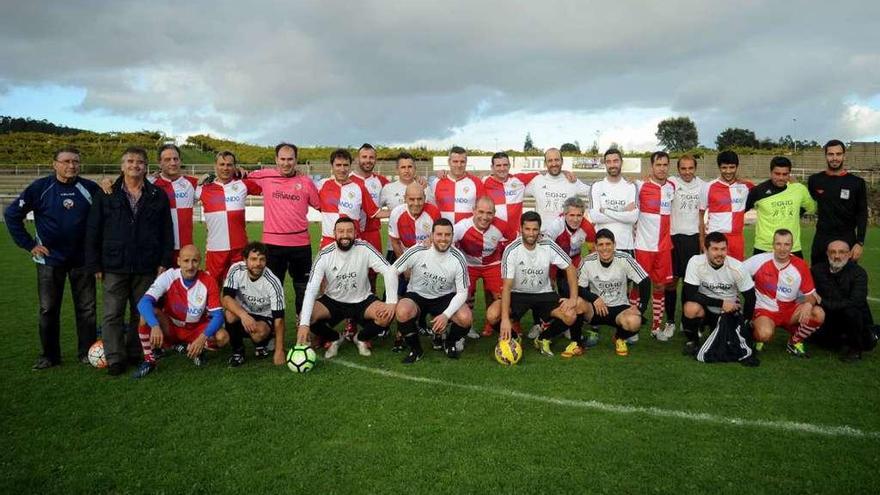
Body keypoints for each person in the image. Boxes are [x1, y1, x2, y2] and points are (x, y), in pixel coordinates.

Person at [4, 146, 100, 369]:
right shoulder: (40, 188)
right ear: (54, 164)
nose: (71, 166)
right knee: (48, 308)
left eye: (75, 161)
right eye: (66, 161)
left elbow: (107, 214)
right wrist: (30, 245)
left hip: (82, 259)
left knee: (87, 308)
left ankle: (86, 352)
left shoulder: (89, 188)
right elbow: (11, 214)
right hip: (50, 260)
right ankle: (49, 355)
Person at [85, 147, 174, 376]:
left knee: (140, 313)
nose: (135, 165)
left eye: (140, 162)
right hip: (114, 265)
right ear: (122, 166)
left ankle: (135, 352)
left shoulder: (157, 195)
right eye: (130, 161)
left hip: (146, 264)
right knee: (112, 313)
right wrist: (94, 264)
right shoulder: (106, 194)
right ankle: (115, 358)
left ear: (146, 167)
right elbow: (93, 230)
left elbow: (166, 231)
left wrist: (164, 260)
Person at [295, 218, 398, 358]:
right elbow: (311, 289)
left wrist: (391, 302)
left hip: (362, 301)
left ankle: (360, 338)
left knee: (387, 315)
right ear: (334, 234)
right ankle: (334, 337)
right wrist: (304, 324)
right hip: (333, 301)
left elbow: (389, 270)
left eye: (349, 231)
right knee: (304, 317)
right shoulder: (324, 254)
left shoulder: (364, 248)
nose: (345, 235)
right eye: (341, 231)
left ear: (356, 233)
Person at [486, 211, 578, 357]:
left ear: (539, 230)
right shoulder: (511, 250)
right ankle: (515, 337)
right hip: (518, 294)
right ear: (521, 229)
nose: (531, 233)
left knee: (571, 315)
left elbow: (570, 268)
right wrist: (504, 319)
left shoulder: (548, 244)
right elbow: (507, 287)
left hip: (543, 293)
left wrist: (573, 298)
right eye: (527, 229)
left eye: (535, 229)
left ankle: (543, 338)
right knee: (492, 315)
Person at [131, 245, 229, 378]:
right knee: (145, 316)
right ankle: (150, 360)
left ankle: (193, 348)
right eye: (186, 261)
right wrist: (154, 325)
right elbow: (144, 302)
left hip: (196, 328)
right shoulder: (169, 276)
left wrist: (202, 338)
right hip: (172, 326)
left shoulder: (208, 280)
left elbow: (218, 316)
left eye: (194, 261)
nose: (190, 266)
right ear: (178, 261)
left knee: (222, 337)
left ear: (199, 262)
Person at [246, 142, 320, 316]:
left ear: (296, 160)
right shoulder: (264, 176)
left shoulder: (306, 182)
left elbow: (322, 206)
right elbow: (240, 179)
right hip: (273, 246)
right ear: (276, 159)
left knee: (303, 288)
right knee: (272, 287)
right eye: (283, 159)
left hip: (300, 245)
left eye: (290, 159)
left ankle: (302, 325)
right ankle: (270, 328)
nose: (286, 163)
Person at [394, 218, 472, 363]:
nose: (443, 239)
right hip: (417, 295)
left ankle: (449, 342)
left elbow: (462, 292)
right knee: (402, 311)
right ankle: (416, 349)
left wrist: (445, 315)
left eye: (447, 235)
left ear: (452, 236)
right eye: (439, 234)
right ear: (432, 235)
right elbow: (392, 271)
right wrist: (391, 301)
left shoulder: (458, 258)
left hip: (444, 297)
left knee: (465, 318)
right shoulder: (418, 250)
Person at [743, 229, 824, 357]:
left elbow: (810, 294)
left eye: (786, 244)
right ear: (773, 245)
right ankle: (755, 331)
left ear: (792, 245)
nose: (782, 248)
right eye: (778, 244)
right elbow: (737, 274)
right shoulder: (759, 261)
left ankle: (794, 342)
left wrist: (808, 305)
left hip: (789, 310)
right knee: (764, 334)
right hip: (765, 310)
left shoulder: (801, 265)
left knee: (818, 314)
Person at [574, 229, 651, 357]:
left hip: (619, 308)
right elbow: (579, 288)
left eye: (608, 244)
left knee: (634, 322)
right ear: (595, 246)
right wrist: (594, 299)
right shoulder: (587, 261)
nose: (605, 248)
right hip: (596, 309)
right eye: (601, 245)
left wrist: (641, 308)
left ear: (614, 245)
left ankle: (619, 338)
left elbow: (645, 280)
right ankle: (577, 343)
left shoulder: (624, 258)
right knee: (577, 303)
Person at [681, 232, 756, 355]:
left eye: (723, 249)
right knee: (690, 308)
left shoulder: (737, 267)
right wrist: (721, 303)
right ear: (705, 249)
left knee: (728, 345)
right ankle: (693, 341)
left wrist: (746, 323)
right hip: (705, 307)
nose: (720, 254)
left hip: (728, 311)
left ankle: (718, 328)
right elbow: (690, 294)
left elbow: (750, 298)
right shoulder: (695, 262)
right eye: (715, 249)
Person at [197, 151, 262, 288]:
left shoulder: (243, 184)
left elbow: (268, 185)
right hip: (215, 250)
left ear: (235, 167)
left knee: (239, 290)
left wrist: (248, 174)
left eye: (229, 165)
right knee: (213, 289)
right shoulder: (203, 188)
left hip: (239, 249)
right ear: (215, 166)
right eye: (222, 164)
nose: (225, 168)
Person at [222, 241, 287, 367]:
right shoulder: (236, 270)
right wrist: (244, 315)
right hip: (244, 313)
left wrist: (279, 351)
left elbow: (279, 319)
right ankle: (238, 352)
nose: (258, 264)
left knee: (259, 334)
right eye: (253, 259)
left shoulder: (273, 282)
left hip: (264, 316)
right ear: (245, 260)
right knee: (230, 314)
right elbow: (226, 298)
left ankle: (263, 341)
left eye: (262, 259)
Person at [453, 196, 510, 338]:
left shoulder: (502, 226)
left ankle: (500, 326)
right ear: (473, 211)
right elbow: (445, 240)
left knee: (503, 296)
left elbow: (514, 244)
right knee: (463, 295)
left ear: (494, 214)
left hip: (492, 265)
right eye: (481, 212)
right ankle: (466, 327)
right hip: (469, 264)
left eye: (489, 213)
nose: (485, 217)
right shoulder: (461, 227)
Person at [635, 151, 676, 339]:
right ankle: (632, 325)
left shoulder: (673, 186)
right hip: (643, 246)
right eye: (658, 165)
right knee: (637, 286)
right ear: (652, 166)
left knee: (659, 286)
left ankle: (656, 327)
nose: (662, 168)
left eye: (665, 164)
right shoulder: (640, 186)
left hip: (664, 247)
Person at [811, 240, 874, 362]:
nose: (837, 256)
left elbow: (856, 302)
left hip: (851, 318)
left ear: (849, 254)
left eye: (842, 252)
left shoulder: (859, 273)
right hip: (829, 317)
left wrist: (823, 303)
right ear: (827, 253)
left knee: (851, 311)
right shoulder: (816, 270)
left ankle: (855, 349)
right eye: (832, 252)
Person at [807, 140, 868, 265]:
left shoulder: (856, 182)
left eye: (838, 154)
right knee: (818, 278)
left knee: (846, 281)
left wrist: (859, 242)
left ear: (844, 156)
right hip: (822, 238)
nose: (834, 158)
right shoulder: (815, 180)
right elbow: (806, 202)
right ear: (825, 156)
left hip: (847, 238)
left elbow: (862, 214)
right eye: (831, 154)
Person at [665, 154, 705, 340]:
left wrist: (702, 241)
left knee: (690, 283)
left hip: (693, 239)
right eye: (683, 168)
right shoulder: (671, 182)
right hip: (673, 238)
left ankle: (686, 320)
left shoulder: (703, 186)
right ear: (678, 169)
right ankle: (670, 322)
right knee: (671, 281)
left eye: (690, 168)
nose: (687, 172)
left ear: (695, 168)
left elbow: (701, 216)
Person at [746, 156, 816, 258]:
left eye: (785, 174)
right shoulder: (758, 191)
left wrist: (796, 212)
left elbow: (811, 207)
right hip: (764, 248)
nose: (781, 178)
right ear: (771, 172)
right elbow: (740, 210)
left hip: (792, 247)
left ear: (790, 173)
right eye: (777, 174)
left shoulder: (799, 189)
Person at [317, 148, 384, 248]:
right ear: (332, 166)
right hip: (328, 243)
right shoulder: (322, 185)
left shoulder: (359, 187)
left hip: (353, 243)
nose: (342, 169)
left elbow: (374, 212)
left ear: (350, 166)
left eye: (345, 165)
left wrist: (402, 209)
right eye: (338, 165)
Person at [700, 151, 753, 261]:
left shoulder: (746, 186)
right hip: (715, 238)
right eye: (724, 168)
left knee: (735, 274)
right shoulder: (708, 187)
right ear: (719, 167)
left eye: (732, 167)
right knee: (714, 275)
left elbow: (763, 191)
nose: (728, 171)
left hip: (737, 238)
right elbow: (700, 215)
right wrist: (701, 240)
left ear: (737, 167)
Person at [150, 144, 198, 265]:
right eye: (167, 159)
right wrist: (106, 183)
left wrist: (238, 173)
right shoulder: (150, 184)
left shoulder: (193, 183)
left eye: (176, 159)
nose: (173, 163)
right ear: (159, 163)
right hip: (158, 249)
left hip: (185, 251)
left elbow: (222, 184)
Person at [541, 196, 596, 299]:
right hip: (555, 262)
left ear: (583, 215)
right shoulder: (556, 225)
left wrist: (588, 269)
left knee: (576, 291)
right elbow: (545, 250)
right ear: (565, 214)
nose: (575, 219)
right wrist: (550, 275)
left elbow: (592, 252)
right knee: (550, 291)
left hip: (574, 260)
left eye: (579, 215)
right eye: (572, 215)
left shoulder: (588, 228)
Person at [524, 148, 591, 228]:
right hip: (543, 236)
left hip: (564, 236)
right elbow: (513, 189)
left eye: (556, 160)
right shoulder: (537, 181)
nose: (554, 163)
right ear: (545, 163)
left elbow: (594, 192)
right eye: (550, 161)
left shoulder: (572, 181)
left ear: (562, 161)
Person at [589, 148, 639, 254]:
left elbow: (632, 218)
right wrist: (623, 211)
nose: (612, 165)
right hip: (602, 246)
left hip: (625, 245)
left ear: (621, 162)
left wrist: (605, 211)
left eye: (615, 161)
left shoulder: (631, 186)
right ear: (605, 164)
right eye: (608, 162)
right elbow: (595, 217)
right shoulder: (597, 186)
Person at [349, 143, 389, 256]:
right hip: (353, 233)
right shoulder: (347, 180)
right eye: (364, 157)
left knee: (373, 271)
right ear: (357, 159)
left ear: (375, 160)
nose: (368, 160)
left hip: (373, 233)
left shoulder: (382, 181)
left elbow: (401, 192)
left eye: (371, 157)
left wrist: (417, 179)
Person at [427, 146, 485, 223]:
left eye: (462, 161)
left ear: (466, 162)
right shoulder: (436, 182)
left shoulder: (476, 182)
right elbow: (430, 208)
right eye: (455, 161)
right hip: (444, 233)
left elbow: (483, 209)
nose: (459, 165)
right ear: (449, 162)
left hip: (467, 233)